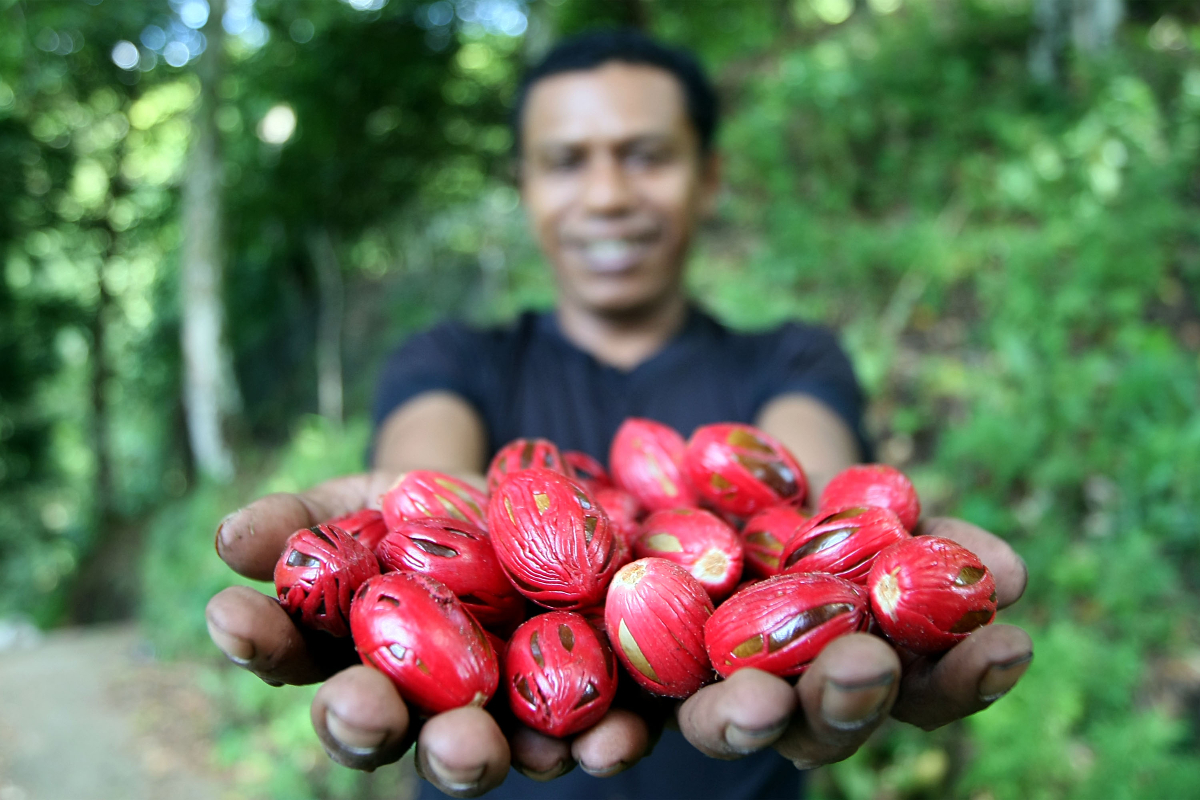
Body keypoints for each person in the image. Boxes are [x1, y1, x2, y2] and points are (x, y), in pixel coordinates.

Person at [205, 30, 1033, 800]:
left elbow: (807, 475)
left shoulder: (794, 358)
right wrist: (413, 516)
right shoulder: (450, 358)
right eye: (566, 161)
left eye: (646, 155)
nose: (607, 195)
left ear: (709, 175)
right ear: (524, 186)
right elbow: (422, 471)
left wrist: (842, 544)